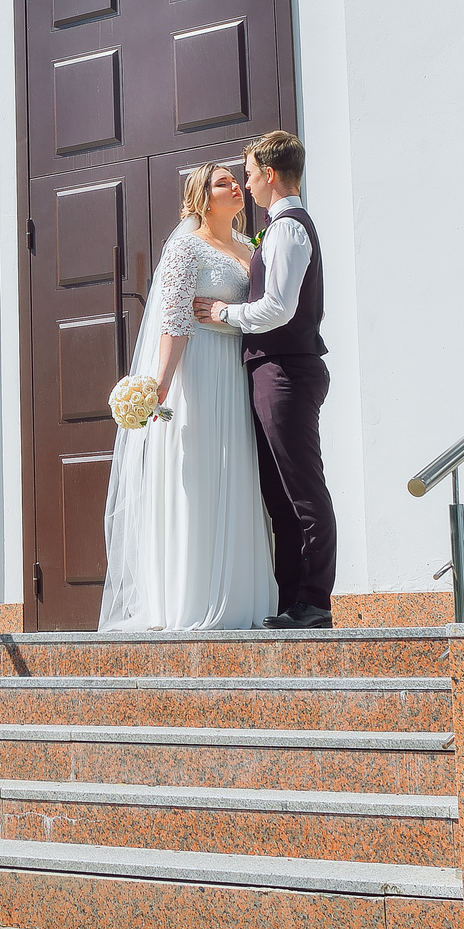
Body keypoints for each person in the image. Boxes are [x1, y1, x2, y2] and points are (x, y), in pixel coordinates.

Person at [95, 162, 279, 632]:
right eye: (223, 183)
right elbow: (173, 320)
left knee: (236, 472)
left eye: (236, 179)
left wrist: (225, 318)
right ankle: (190, 598)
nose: (236, 185)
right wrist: (158, 384)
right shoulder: (184, 248)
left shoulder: (248, 247)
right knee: (199, 475)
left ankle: (241, 596)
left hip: (236, 373)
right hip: (196, 374)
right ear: (201, 196)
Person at [195, 129, 334, 630]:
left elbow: (278, 308)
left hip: (287, 371)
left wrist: (222, 313)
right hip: (272, 370)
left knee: (302, 489)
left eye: (250, 174)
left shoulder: (288, 229)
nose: (247, 184)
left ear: (269, 174)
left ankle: (315, 600)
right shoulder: (276, 229)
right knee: (279, 495)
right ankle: (293, 598)